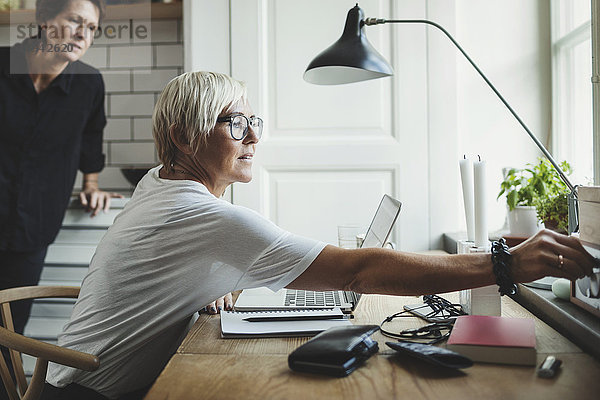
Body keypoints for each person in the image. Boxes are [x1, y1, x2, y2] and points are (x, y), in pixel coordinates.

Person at [43, 71, 597, 400]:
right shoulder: (202, 216)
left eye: (255, 121)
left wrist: (202, 281)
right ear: (185, 136)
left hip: (72, 380)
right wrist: (509, 265)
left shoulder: (159, 188)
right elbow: (360, 270)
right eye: (235, 123)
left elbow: (156, 266)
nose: (254, 135)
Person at [0, 0, 122, 339]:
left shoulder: (89, 84)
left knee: (8, 333)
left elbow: (90, 134)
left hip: (32, 228)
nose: (84, 34)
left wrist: (92, 183)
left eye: (92, 28)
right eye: (75, 20)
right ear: (43, 18)